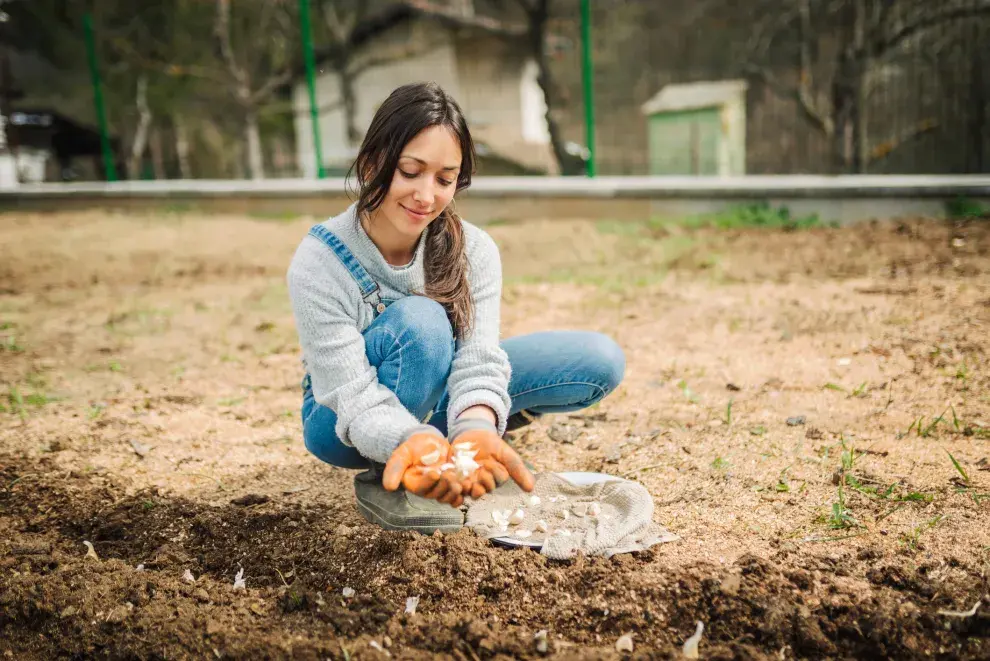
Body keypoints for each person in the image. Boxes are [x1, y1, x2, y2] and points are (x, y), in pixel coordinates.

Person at [287, 82, 625, 534]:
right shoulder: (320, 261)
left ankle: (453, 443)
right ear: (372, 164)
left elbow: (478, 355)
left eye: (445, 179)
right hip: (342, 417)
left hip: (434, 391)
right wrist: (409, 440)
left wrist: (478, 426)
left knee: (595, 362)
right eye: (410, 171)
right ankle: (393, 469)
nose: (426, 196)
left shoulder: (474, 250)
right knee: (423, 322)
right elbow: (349, 393)